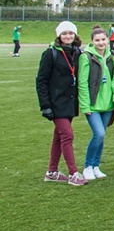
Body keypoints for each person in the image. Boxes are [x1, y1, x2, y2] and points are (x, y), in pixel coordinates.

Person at [38, 21, 85, 185]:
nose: (68, 36)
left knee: (58, 137)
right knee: (67, 135)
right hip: (55, 103)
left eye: (70, 33)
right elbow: (41, 81)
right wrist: (45, 106)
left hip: (70, 102)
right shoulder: (50, 53)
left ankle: (52, 172)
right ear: (59, 36)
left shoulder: (78, 52)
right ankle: (73, 174)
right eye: (64, 33)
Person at [79, 26, 114, 180]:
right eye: (97, 40)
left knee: (102, 136)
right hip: (93, 105)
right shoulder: (86, 57)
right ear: (92, 41)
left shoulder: (112, 56)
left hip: (108, 105)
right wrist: (85, 105)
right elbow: (83, 83)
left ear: (107, 39)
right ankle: (87, 166)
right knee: (99, 133)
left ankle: (96, 166)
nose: (100, 43)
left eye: (103, 39)